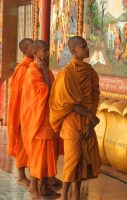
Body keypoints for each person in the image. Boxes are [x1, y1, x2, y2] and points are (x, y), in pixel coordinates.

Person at [49, 36, 101, 200]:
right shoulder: (66, 74)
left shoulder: (90, 72)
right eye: (82, 46)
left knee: (83, 159)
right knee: (73, 158)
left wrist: (90, 123)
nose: (87, 49)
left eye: (86, 45)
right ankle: (64, 196)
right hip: (71, 122)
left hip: (87, 122)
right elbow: (67, 103)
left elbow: (94, 96)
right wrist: (91, 116)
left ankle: (76, 195)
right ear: (73, 51)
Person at [21, 40, 60, 198]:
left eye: (47, 50)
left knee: (47, 156)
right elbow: (46, 91)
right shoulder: (33, 71)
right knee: (39, 156)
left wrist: (45, 71)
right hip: (38, 121)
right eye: (44, 50)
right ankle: (34, 188)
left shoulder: (45, 70)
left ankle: (44, 187)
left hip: (48, 119)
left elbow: (55, 89)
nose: (47, 53)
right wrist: (44, 71)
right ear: (35, 53)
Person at [7, 38, 34, 187]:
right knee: (22, 143)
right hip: (23, 111)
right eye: (32, 46)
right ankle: (21, 175)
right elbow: (19, 94)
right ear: (25, 51)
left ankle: (40, 175)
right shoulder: (23, 69)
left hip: (31, 110)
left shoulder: (33, 66)